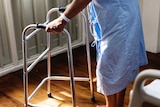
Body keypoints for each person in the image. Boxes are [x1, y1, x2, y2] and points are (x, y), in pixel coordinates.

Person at [45, 0, 148, 107]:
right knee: (120, 63)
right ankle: (116, 104)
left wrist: (63, 19)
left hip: (119, 15)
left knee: (111, 66)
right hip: (121, 12)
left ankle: (112, 105)